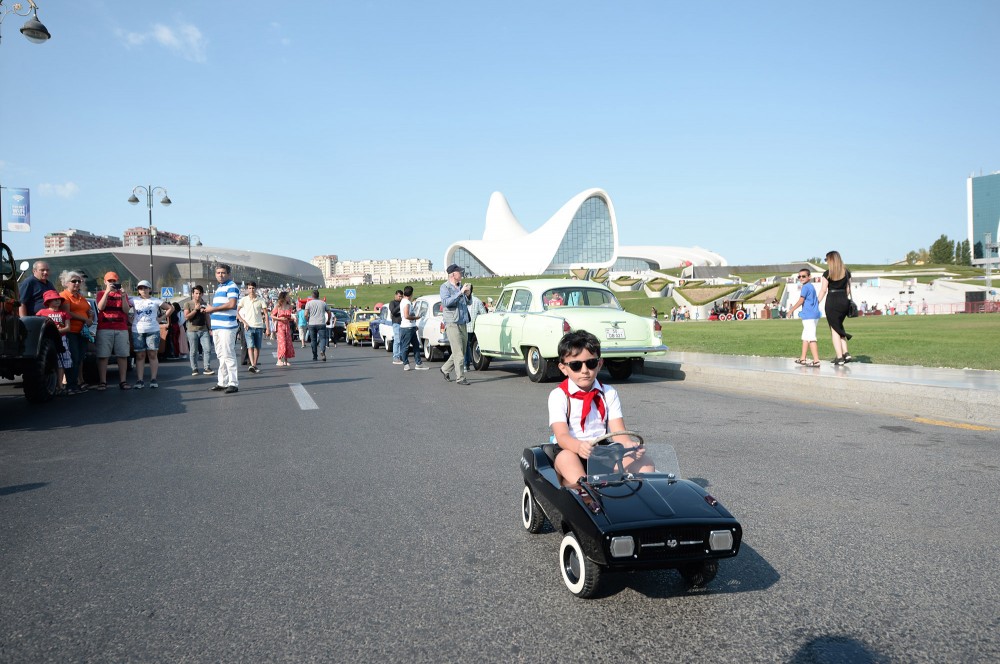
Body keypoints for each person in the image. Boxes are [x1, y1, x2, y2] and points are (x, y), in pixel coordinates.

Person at [548, 330, 652, 488]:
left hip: (602, 450)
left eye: (590, 363)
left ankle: (635, 503)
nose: (584, 370)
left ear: (600, 363)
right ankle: (583, 495)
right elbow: (562, 435)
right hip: (570, 449)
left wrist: (631, 447)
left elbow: (619, 434)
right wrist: (578, 447)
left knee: (646, 464)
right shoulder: (559, 395)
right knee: (570, 464)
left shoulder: (608, 393)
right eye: (576, 365)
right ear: (563, 368)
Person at [129, 280, 172, 389]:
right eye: (140, 288)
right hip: (137, 330)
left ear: (149, 289)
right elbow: (123, 308)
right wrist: (128, 318)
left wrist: (161, 318)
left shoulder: (155, 301)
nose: (142, 290)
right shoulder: (133, 300)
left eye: (145, 288)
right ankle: (140, 380)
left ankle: (153, 379)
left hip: (152, 330)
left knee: (152, 354)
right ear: (138, 290)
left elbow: (171, 308)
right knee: (140, 355)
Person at [204, 264, 240, 394]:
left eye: (223, 273)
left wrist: (212, 309)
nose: (220, 275)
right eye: (218, 272)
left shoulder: (231, 286)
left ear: (228, 274)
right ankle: (222, 382)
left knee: (228, 354)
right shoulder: (220, 287)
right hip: (218, 326)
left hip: (227, 326)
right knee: (221, 355)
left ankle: (233, 383)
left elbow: (232, 304)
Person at [95, 271, 132, 391]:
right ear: (105, 282)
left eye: (114, 281)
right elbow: (100, 307)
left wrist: (123, 296)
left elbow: (126, 311)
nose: (112, 283)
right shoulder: (101, 293)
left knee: (122, 355)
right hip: (105, 329)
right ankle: (102, 382)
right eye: (110, 281)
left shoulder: (122, 294)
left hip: (121, 328)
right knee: (103, 356)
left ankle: (123, 381)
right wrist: (107, 292)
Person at [59, 270, 92, 393]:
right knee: (73, 357)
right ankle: (71, 385)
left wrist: (90, 318)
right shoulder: (64, 295)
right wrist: (85, 319)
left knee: (79, 358)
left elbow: (89, 311)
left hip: (82, 332)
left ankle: (76, 383)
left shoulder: (80, 296)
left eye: (79, 281)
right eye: (74, 281)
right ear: (66, 283)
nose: (77, 283)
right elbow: (67, 313)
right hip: (70, 331)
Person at [819, 250, 853, 365]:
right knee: (839, 327)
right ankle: (846, 353)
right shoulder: (847, 272)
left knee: (834, 330)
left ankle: (839, 357)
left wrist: (816, 302)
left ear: (830, 260)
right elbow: (848, 290)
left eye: (826, 259)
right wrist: (843, 298)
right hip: (843, 300)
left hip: (832, 301)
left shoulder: (827, 274)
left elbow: (823, 290)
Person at [439, 264, 471, 385]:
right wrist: (460, 293)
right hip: (452, 322)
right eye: (460, 272)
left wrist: (468, 294)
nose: (462, 274)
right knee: (458, 353)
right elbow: (446, 302)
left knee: (461, 351)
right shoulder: (445, 287)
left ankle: (445, 369)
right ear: (453, 275)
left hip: (462, 321)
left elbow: (468, 302)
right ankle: (461, 378)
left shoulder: (460, 286)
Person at [36, 291, 73, 395]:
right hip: (47, 341)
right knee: (50, 362)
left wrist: (56, 331)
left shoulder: (64, 313)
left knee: (62, 362)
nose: (57, 301)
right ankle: (51, 384)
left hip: (62, 339)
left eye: (58, 299)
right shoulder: (41, 313)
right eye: (54, 299)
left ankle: (60, 385)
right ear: (48, 301)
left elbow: (68, 328)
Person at [787, 269, 821, 367]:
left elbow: (801, 300)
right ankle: (803, 358)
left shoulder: (805, 287)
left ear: (809, 277)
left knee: (811, 338)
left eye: (803, 276)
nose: (801, 278)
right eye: (799, 276)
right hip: (813, 315)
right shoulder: (811, 286)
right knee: (806, 337)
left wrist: (791, 310)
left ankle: (816, 360)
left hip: (809, 316)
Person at [237, 281, 270, 374]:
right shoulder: (244, 300)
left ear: (256, 289)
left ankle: (254, 364)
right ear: (247, 289)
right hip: (248, 327)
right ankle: (252, 365)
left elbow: (266, 315)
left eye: (253, 288)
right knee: (250, 346)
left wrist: (267, 328)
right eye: (250, 288)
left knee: (257, 347)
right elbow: (236, 312)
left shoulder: (260, 300)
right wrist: (244, 322)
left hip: (259, 326)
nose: (251, 290)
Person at [184, 285, 213, 376]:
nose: (198, 295)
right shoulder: (188, 304)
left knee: (207, 349)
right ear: (193, 294)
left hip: (204, 330)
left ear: (202, 294)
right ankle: (194, 368)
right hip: (192, 331)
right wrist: (196, 310)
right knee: (193, 351)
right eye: (196, 293)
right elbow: (187, 316)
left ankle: (207, 367)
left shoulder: (204, 303)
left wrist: (210, 328)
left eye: (200, 293)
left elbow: (207, 316)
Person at [397, 285, 428, 371]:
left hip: (410, 327)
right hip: (407, 328)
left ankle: (418, 363)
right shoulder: (406, 303)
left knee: (415, 345)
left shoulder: (403, 301)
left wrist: (414, 325)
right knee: (406, 346)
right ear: (411, 294)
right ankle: (406, 363)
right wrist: (416, 318)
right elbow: (406, 315)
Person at [464, 284, 487, 372]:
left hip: (468, 326)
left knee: (466, 346)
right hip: (471, 327)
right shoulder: (476, 301)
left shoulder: (474, 301)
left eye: (467, 290)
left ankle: (466, 364)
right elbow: (484, 314)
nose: (466, 291)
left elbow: (483, 314)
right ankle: (467, 363)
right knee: (468, 346)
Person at [271, 291, 296, 366]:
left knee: (288, 342)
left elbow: (289, 317)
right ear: (284, 297)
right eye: (288, 296)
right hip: (280, 325)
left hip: (287, 325)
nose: (289, 297)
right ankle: (279, 360)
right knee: (282, 342)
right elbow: (272, 315)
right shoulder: (278, 306)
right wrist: (280, 319)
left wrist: (293, 318)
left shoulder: (290, 306)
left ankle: (285, 360)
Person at [305, 290, 328, 361]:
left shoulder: (308, 303)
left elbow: (305, 314)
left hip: (312, 323)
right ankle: (322, 351)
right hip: (321, 323)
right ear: (318, 295)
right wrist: (328, 320)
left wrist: (308, 320)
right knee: (323, 339)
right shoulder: (323, 303)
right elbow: (329, 312)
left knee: (313, 340)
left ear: (312, 296)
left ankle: (315, 356)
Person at [388, 289, 403, 364]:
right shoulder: (392, 303)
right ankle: (395, 357)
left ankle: (400, 356)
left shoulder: (402, 302)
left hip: (402, 323)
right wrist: (400, 306)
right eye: (399, 296)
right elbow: (393, 312)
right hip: (396, 323)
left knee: (401, 340)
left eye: (401, 296)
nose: (400, 298)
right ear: (396, 295)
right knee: (397, 340)